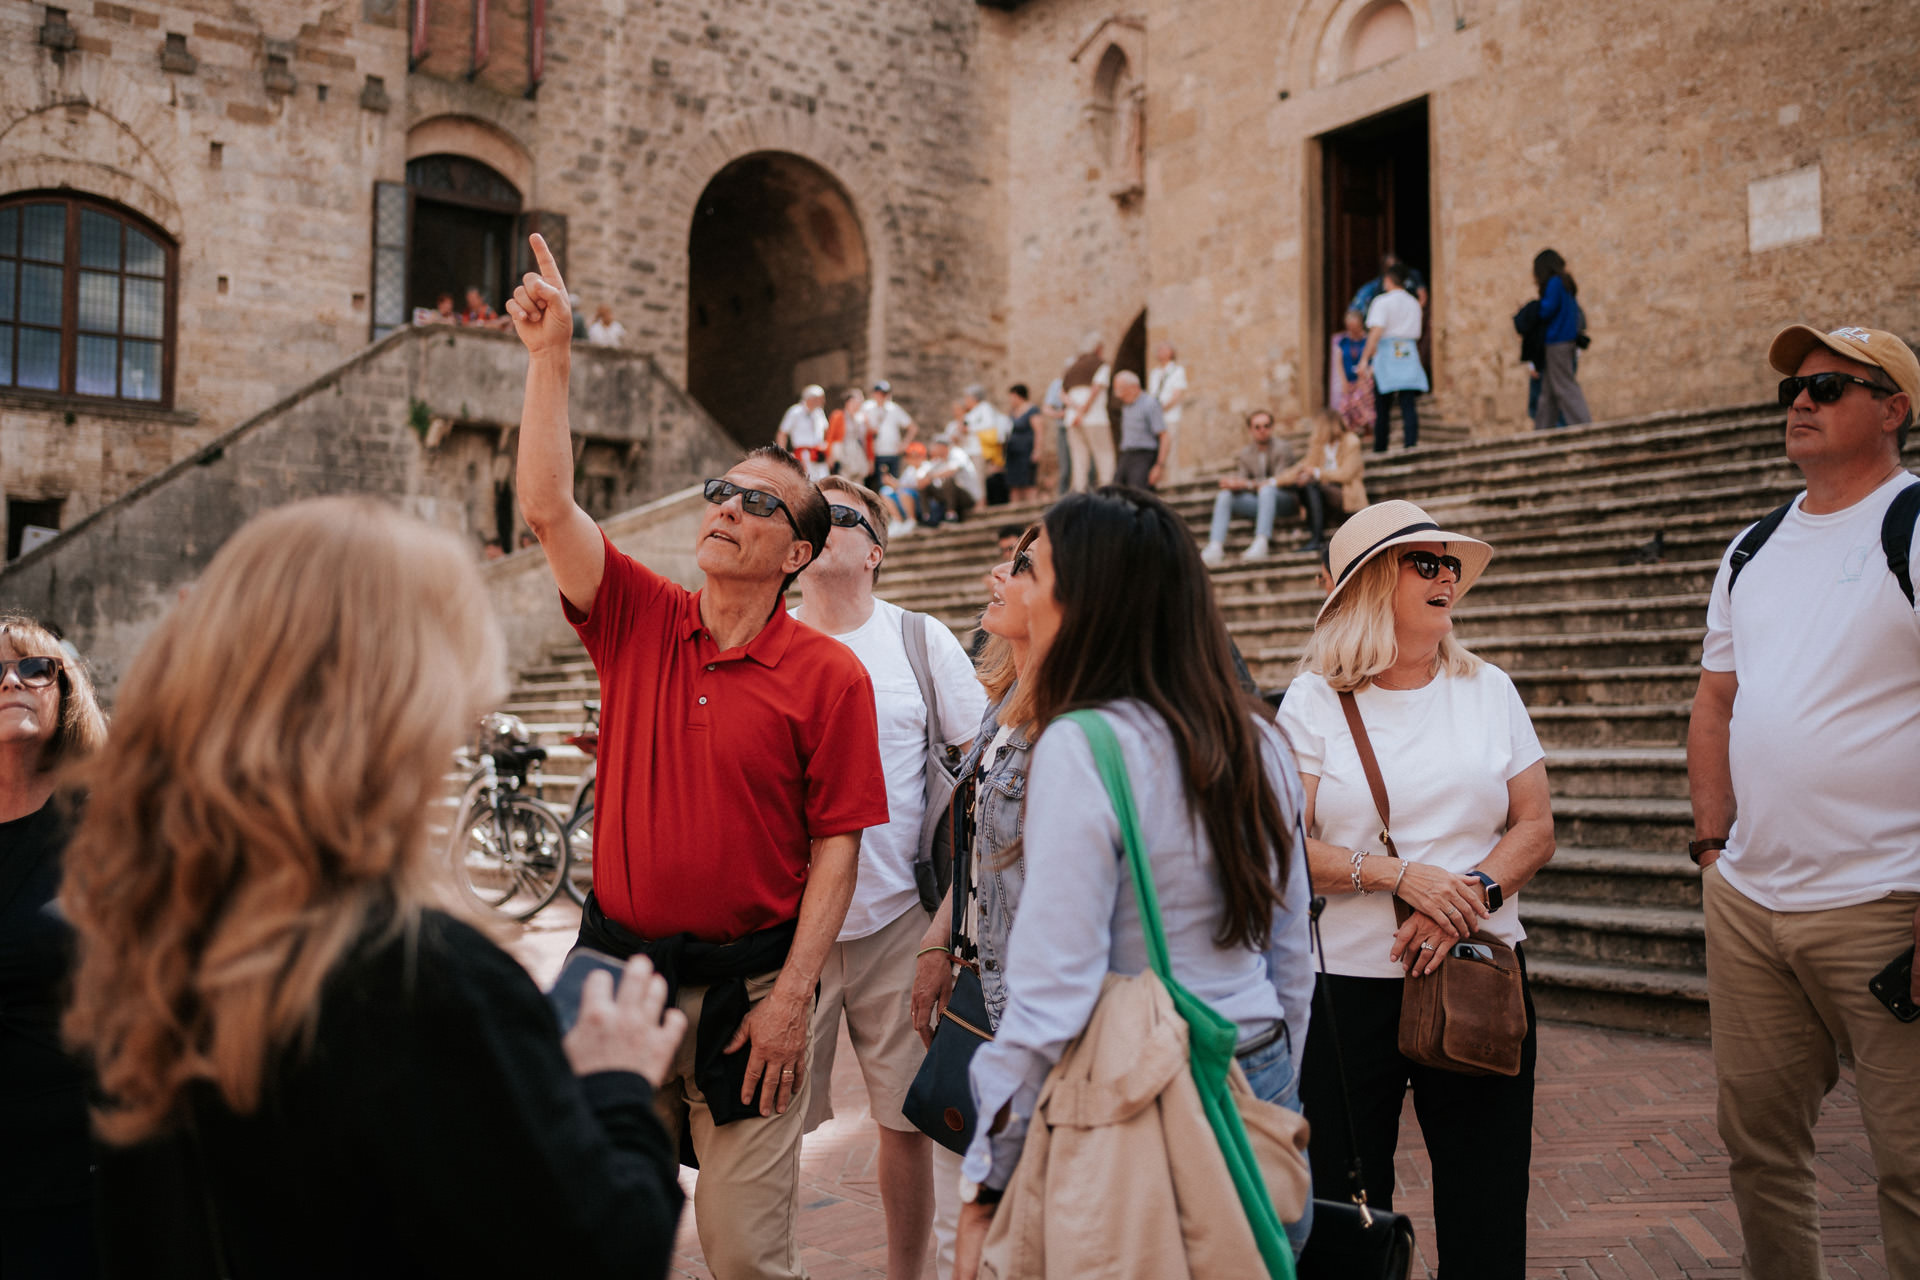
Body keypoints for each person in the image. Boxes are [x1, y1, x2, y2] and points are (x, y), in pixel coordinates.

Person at [62, 498, 689, 1279]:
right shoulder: (422, 981)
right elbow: (603, 1251)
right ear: (414, 703)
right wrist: (616, 1085)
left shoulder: (150, 932)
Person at [503, 234, 891, 1280]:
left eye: (760, 503)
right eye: (724, 489)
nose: (727, 506)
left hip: (749, 993)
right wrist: (550, 359)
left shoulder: (829, 676)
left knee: (746, 1250)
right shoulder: (639, 613)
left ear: (798, 554)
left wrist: (793, 999)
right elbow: (547, 508)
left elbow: (839, 847)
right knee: (558, 1213)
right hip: (614, 970)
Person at [955, 488, 1316, 1273]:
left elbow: (1054, 993)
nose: (1015, 585)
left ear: (1088, 598)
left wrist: (987, 1177)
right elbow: (1291, 955)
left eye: (1036, 571)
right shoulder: (1260, 737)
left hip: (1141, 1091)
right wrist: (1275, 1081)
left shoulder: (1083, 744)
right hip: (1258, 1067)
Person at [1687, 323, 1920, 1280]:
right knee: (1760, 1150)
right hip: (1751, 904)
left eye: (1829, 387)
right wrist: (1713, 850)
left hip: (1887, 903)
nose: (1802, 402)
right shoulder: (1753, 547)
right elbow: (1716, 700)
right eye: (1794, 387)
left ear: (1893, 410)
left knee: (1913, 1167)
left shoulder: (1913, 524)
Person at [1278, 498, 1555, 1280]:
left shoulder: (1488, 688)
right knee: (1346, 1205)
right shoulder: (1314, 700)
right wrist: (1399, 875)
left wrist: (1466, 900)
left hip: (1475, 973)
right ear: (1370, 582)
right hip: (1346, 991)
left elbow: (1535, 826)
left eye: (1450, 564)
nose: (1447, 578)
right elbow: (1281, 846)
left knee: (1486, 1204)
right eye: (1425, 563)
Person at [792, 476, 988, 1280]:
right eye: (812, 514)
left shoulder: (919, 640)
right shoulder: (770, 635)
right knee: (764, 1124)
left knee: (905, 1123)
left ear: (874, 552)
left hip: (898, 921)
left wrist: (947, 930)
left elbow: (983, 772)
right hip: (786, 925)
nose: (822, 525)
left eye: (841, 516)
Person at [914, 522, 1043, 1276]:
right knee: (956, 1222)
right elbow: (978, 855)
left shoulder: (1072, 726)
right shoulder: (1006, 702)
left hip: (1026, 1010)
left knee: (1008, 1231)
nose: (1000, 572)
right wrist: (940, 942)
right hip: (975, 985)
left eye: (1023, 564)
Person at [0, 617, 107, 1279]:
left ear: (65, 689)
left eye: (34, 667)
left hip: (76, 1179)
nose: (11, 681)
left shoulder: (111, 828)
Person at [1201, 408, 1300, 566]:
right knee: (1225, 495)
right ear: (1250, 430)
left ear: (1272, 428)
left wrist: (1247, 484)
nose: (1262, 430)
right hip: (1260, 503)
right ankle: (1215, 546)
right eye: (1257, 427)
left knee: (1267, 490)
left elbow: (1280, 481)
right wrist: (1233, 484)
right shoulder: (1246, 453)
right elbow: (1243, 481)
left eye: (1266, 426)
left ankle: (1262, 541)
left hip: (1285, 501)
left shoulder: (1282, 448)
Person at [1358, 264, 1427, 452]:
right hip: (1408, 351)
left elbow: (1376, 332)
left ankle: (1381, 447)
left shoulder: (1382, 302)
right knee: (1408, 402)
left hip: (1387, 351)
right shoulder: (1414, 303)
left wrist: (1365, 359)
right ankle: (1411, 443)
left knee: (1382, 404)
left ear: (1388, 280)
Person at [1288, 408, 1369, 553]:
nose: (1315, 430)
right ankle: (1316, 531)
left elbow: (1346, 475)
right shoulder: (1319, 445)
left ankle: (1317, 538)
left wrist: (1316, 473)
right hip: (1324, 492)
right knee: (1302, 484)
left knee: (1311, 484)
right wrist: (1273, 481)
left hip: (1346, 493)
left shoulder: (1351, 442)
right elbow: (1302, 466)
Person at [1530, 249, 1592, 431]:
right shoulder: (1566, 284)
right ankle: (1542, 431)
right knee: (1548, 391)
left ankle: (1584, 425)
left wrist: (1532, 310)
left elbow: (1547, 310)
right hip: (1565, 341)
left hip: (1557, 341)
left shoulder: (1555, 283)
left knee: (1564, 386)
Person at [1060, 334, 1113, 492]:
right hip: (1094, 417)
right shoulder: (1101, 365)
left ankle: (1079, 490)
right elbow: (1096, 388)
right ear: (1098, 349)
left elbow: (1062, 393)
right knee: (1104, 454)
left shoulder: (1072, 368)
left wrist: (1075, 410)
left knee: (1079, 457)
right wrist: (1083, 411)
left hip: (1071, 419)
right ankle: (1107, 489)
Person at [1110, 370, 1170, 490]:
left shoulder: (1150, 404)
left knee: (1138, 493)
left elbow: (1164, 436)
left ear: (1133, 387)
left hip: (1144, 456)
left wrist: (1159, 466)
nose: (1118, 395)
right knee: (1115, 492)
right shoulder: (1126, 405)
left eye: (1121, 390)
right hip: (1126, 455)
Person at [1329, 308, 1375, 436]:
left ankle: (1367, 430)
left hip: (1364, 379)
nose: (1352, 329)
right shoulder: (1343, 341)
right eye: (1350, 326)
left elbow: (1374, 360)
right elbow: (1339, 362)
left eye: (1355, 326)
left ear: (1360, 324)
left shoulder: (1368, 340)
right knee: (1345, 406)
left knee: (1360, 402)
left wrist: (1366, 375)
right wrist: (1343, 381)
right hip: (1349, 379)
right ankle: (1350, 431)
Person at [862, 381, 917, 486]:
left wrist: (904, 444)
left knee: (890, 485)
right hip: (873, 454)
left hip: (892, 453)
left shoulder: (894, 409)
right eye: (879, 393)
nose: (881, 397)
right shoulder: (867, 408)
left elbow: (912, 427)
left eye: (884, 394)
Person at [1147, 343, 1189, 476]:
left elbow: (1177, 394)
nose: (1160, 352)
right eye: (1159, 349)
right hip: (1156, 415)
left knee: (1171, 448)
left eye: (1164, 349)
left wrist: (1162, 409)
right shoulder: (1155, 373)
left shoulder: (1177, 371)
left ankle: (1172, 477)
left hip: (1170, 415)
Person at [921, 438, 982, 524]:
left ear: (942, 447)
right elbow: (925, 477)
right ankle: (927, 517)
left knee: (949, 481)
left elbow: (952, 470)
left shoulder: (957, 453)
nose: (933, 451)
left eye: (935, 448)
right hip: (950, 496)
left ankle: (951, 514)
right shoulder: (939, 460)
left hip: (967, 496)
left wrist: (931, 476)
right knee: (924, 486)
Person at [776, 385, 831, 480]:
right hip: (802, 454)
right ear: (811, 399)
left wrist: (826, 447)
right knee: (805, 481)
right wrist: (783, 455)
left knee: (823, 481)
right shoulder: (795, 411)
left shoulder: (819, 412)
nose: (823, 401)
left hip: (818, 455)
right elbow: (782, 433)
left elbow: (826, 430)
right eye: (820, 398)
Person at [1348, 252, 1428, 315]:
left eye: (1395, 267)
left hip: (1413, 311)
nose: (1394, 271)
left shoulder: (1412, 274)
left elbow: (1423, 297)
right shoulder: (1378, 284)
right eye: (1390, 269)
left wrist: (1412, 312)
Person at [1002, 385, 1040, 504]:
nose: (1010, 400)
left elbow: (1039, 431)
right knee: (1014, 484)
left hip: (1026, 451)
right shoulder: (1012, 412)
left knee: (1028, 482)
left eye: (1012, 397)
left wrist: (1037, 450)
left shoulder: (1032, 410)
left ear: (1019, 396)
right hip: (1013, 453)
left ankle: (1032, 506)